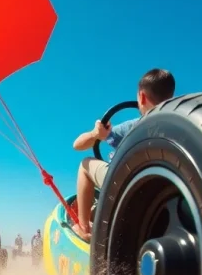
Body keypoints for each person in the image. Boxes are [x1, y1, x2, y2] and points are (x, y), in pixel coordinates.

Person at [70, 68, 176, 241]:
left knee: (84, 165)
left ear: (141, 97)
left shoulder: (135, 125)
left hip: (125, 185)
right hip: (161, 190)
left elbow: (77, 145)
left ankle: (84, 229)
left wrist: (95, 134)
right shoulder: (177, 126)